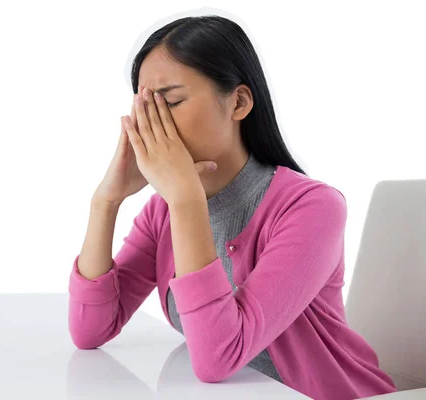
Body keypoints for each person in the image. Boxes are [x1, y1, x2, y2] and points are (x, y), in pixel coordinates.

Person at [67, 14, 397, 400]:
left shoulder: (312, 207)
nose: (152, 123)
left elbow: (217, 357)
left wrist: (186, 199)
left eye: (170, 102)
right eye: (145, 106)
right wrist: (106, 201)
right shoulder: (163, 211)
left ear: (238, 102)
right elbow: (89, 331)